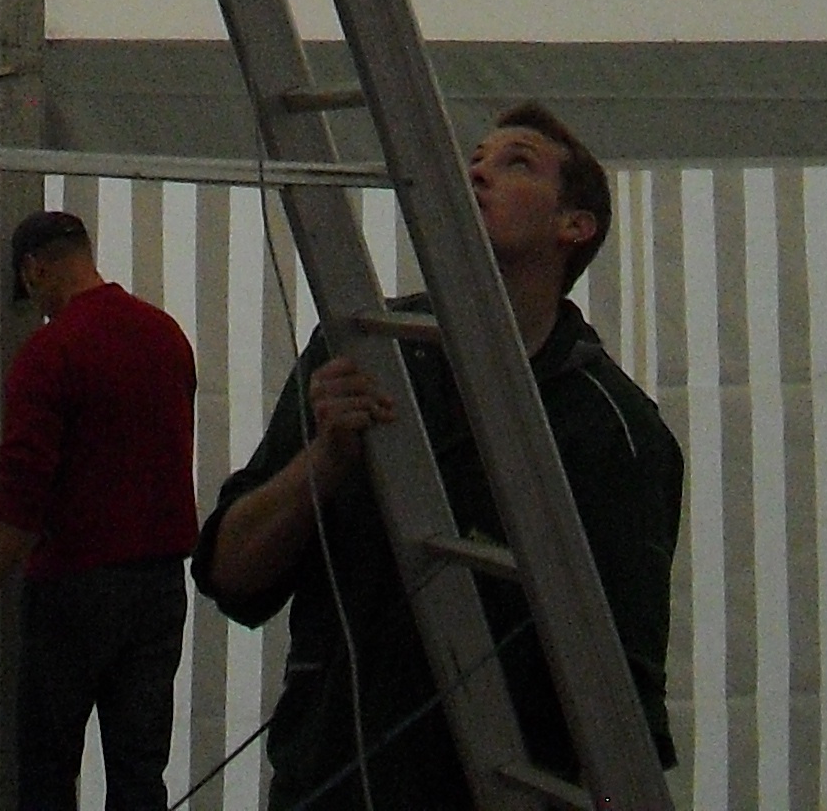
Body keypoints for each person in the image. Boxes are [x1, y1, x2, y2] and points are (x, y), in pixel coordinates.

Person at [196, 104, 681, 803]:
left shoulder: (618, 432)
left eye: (516, 162)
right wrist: (323, 463)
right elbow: (229, 575)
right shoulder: (359, 351)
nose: (475, 172)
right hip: (331, 789)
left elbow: (624, 702)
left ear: (575, 226)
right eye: (473, 158)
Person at [0, 207, 200, 808]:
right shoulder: (167, 336)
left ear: (33, 270)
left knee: (48, 773)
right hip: (159, 587)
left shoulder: (50, 353)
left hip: (75, 590)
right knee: (139, 773)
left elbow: (21, 500)